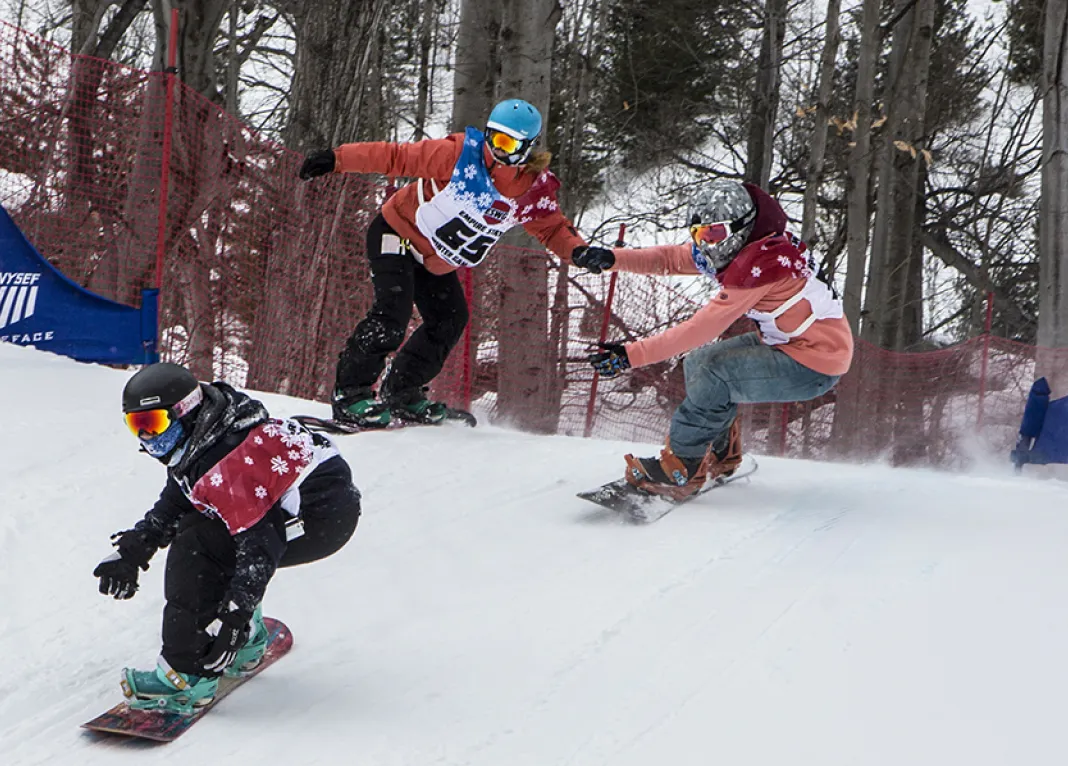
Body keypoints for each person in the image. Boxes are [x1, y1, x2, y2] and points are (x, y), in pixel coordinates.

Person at [298, 98, 609, 428]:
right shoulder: (461, 154)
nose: (495, 148)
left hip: (435, 261)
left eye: (506, 143)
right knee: (393, 313)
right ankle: (351, 394)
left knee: (450, 318)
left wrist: (579, 252)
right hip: (397, 232)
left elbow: (553, 228)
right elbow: (396, 156)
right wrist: (337, 159)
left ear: (527, 149)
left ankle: (402, 392)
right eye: (493, 137)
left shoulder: (531, 189)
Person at [93, 362, 361, 713]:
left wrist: (234, 618)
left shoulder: (227, 460)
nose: (146, 437)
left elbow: (259, 548)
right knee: (204, 525)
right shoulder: (207, 433)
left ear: (184, 411)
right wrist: (133, 550)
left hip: (320, 517)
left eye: (153, 423)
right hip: (294, 502)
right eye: (136, 425)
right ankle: (247, 645)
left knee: (197, 547)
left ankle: (184, 678)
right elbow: (180, 497)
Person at [582, 181, 853, 500]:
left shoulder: (763, 265)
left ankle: (681, 469)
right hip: (787, 341)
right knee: (699, 362)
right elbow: (670, 258)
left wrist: (631, 355)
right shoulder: (748, 244)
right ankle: (723, 452)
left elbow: (700, 329)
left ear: (741, 227)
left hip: (814, 364)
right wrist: (613, 258)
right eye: (699, 235)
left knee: (714, 373)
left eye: (714, 235)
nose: (706, 244)